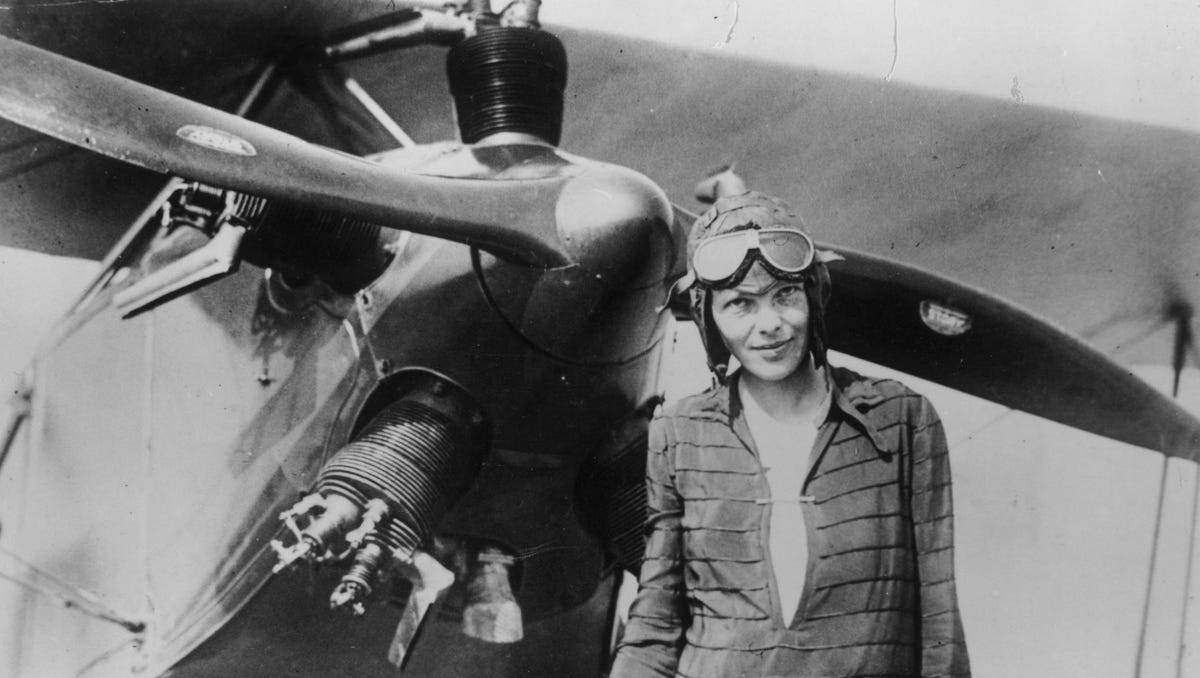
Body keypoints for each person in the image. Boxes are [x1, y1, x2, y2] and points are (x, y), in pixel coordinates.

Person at [610, 192, 970, 677]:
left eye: (784, 295)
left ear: (813, 294)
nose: (769, 326)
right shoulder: (680, 434)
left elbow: (940, 628)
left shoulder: (903, 420)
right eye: (740, 304)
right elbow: (656, 621)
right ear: (708, 318)